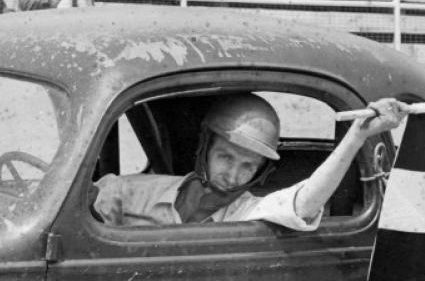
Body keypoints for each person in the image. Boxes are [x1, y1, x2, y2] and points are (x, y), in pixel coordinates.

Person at [92, 94, 407, 227]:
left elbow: (304, 203)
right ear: (204, 149)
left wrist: (356, 136)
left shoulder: (248, 211)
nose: (233, 175)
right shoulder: (128, 192)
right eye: (225, 157)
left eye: (247, 167)